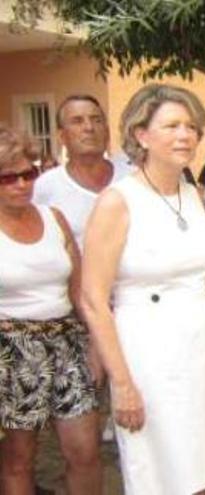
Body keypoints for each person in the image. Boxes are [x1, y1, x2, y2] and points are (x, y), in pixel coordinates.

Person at [79, 84, 205, 494]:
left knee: (200, 470)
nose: (185, 135)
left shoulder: (194, 195)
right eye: (171, 125)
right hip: (148, 358)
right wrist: (123, 384)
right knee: (159, 474)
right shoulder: (118, 201)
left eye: (191, 126)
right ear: (141, 135)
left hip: (201, 351)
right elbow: (93, 300)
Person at [0, 124, 102, 494]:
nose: (21, 184)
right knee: (18, 458)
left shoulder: (53, 217)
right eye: (7, 178)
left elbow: (78, 288)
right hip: (11, 350)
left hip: (67, 340)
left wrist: (94, 342)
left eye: (27, 173)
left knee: (85, 450)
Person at [33, 94, 131, 248]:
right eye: (77, 121)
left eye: (96, 120)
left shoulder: (134, 176)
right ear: (61, 136)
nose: (89, 128)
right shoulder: (44, 188)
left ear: (107, 131)